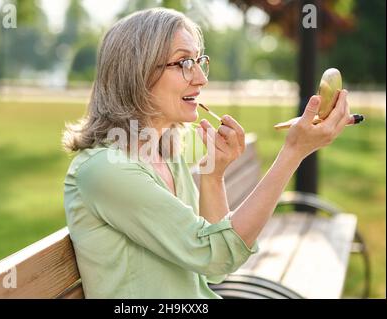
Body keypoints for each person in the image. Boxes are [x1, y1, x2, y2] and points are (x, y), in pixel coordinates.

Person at [62, 8, 355, 299]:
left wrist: (213, 176)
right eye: (184, 62)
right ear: (136, 73)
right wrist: (293, 152)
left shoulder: (165, 155)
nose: (201, 78)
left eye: (200, 61)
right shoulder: (107, 171)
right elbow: (217, 255)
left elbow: (215, 271)